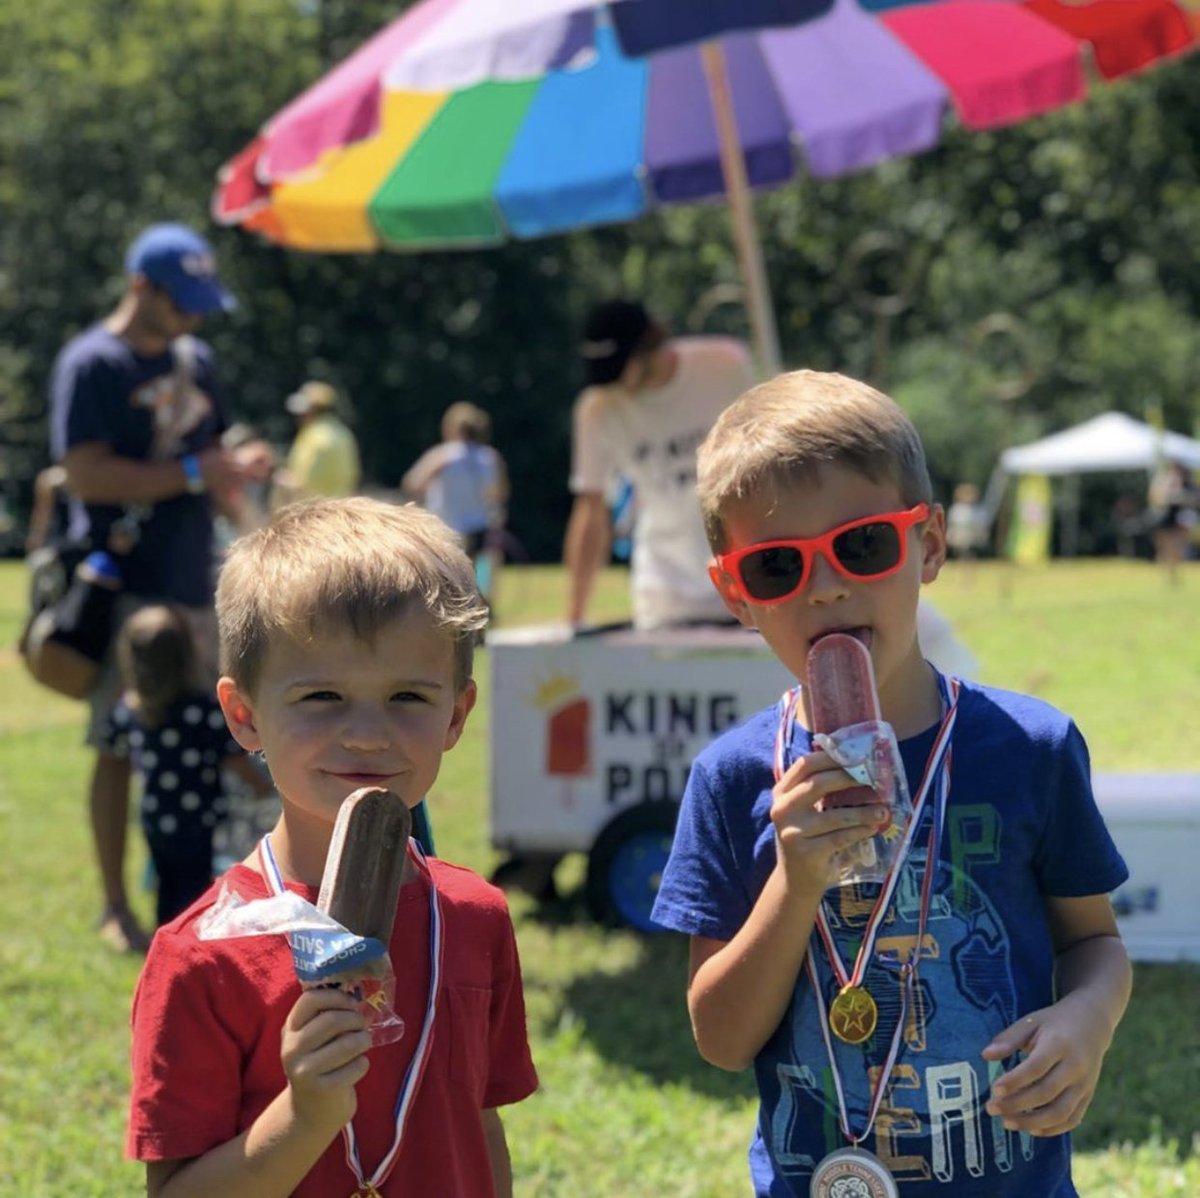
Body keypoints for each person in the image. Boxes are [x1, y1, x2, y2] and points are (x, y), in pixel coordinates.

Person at [651, 371, 1132, 1197]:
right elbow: (722, 1040)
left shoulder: (1032, 748)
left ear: (930, 544)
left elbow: (1097, 945)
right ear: (735, 594)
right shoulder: (732, 778)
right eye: (776, 566)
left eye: (863, 544)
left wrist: (1087, 1019)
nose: (826, 586)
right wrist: (794, 884)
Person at [127, 497, 538, 1197]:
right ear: (244, 716)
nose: (369, 735)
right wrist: (305, 1115)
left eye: (408, 697)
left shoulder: (476, 917)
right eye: (322, 697)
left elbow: (479, 1124)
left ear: (456, 715)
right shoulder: (201, 955)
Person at [49, 221, 267, 953]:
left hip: (196, 578)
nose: (192, 320)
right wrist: (195, 472)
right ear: (140, 287)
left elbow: (216, 452)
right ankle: (116, 905)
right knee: (117, 743)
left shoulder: (196, 360)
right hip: (127, 590)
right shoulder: (93, 363)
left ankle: (209, 893)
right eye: (181, 303)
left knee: (216, 736)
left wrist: (238, 473)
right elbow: (85, 475)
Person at [564, 298, 756, 629]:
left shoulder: (723, 365)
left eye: (619, 367)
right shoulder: (598, 406)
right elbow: (591, 510)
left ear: (647, 345)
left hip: (745, 572)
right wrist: (575, 617)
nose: (614, 382)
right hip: (664, 587)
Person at [103, 604, 273, 926]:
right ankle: (190, 938)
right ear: (186, 655)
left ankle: (166, 933)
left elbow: (113, 746)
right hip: (199, 820)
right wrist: (261, 786)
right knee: (196, 889)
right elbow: (232, 757)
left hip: (156, 819)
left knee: (167, 884)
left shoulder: (130, 710)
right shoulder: (202, 710)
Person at [402, 401, 509, 599]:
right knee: (479, 581)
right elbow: (500, 493)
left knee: (451, 585)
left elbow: (413, 483)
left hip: (448, 527)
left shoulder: (444, 456)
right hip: (481, 525)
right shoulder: (491, 457)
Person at [271, 379, 361, 505]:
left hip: (313, 509)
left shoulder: (314, 437)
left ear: (312, 410)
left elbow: (299, 483)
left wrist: (277, 477)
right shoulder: (343, 433)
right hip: (340, 506)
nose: (298, 416)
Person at [1146, 460, 1194, 584]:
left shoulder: (1186, 483)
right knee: (1164, 548)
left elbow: (1193, 498)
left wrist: (1181, 496)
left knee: (1177, 549)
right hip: (1164, 518)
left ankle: (1173, 574)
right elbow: (1154, 498)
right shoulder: (1163, 481)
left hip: (1178, 519)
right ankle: (1167, 574)